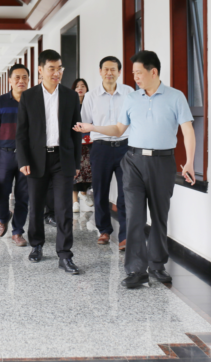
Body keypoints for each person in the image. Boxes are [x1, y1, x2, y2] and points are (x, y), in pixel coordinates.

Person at [74, 50, 196, 289]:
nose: (135, 77)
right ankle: (136, 270)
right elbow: (119, 129)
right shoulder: (131, 98)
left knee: (159, 216)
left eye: (139, 73)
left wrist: (190, 162)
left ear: (154, 72)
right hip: (133, 161)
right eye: (133, 73)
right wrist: (93, 127)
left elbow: (188, 130)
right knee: (134, 216)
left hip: (162, 162)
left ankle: (157, 265)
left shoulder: (175, 97)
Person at [16, 49, 82, 274]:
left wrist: (76, 163)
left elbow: (76, 132)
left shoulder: (70, 96)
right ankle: (36, 245)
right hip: (36, 159)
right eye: (51, 68)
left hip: (63, 158)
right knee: (36, 205)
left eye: (59, 68)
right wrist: (23, 159)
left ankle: (65, 254)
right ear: (40, 70)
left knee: (64, 208)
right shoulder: (29, 96)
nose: (56, 73)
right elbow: (21, 133)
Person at [80, 56, 133, 250]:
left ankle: (125, 235)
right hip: (100, 148)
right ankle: (103, 230)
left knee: (125, 192)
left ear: (119, 72)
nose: (109, 73)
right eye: (106, 69)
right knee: (100, 190)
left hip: (125, 147)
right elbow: (85, 123)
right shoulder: (91, 96)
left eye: (113, 69)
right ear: (100, 72)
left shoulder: (129, 93)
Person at [0, 63, 30, 246]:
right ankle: (3, 218)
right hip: (4, 154)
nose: (21, 81)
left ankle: (17, 232)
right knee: (2, 192)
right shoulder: (0, 101)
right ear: (10, 80)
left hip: (27, 156)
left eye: (24, 77)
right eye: (17, 77)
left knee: (23, 196)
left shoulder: (34, 101)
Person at [71, 78, 94, 213]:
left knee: (87, 170)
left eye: (83, 86)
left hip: (89, 142)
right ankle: (75, 201)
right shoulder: (70, 104)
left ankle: (84, 193)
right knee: (75, 171)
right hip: (75, 143)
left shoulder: (91, 104)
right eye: (77, 86)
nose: (80, 88)